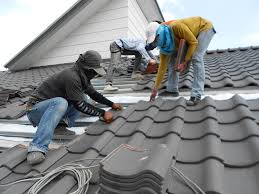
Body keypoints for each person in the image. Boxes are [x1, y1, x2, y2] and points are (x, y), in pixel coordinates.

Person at [26, 50, 123, 165]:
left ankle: (60, 126)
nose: (95, 75)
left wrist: (111, 104)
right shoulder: (72, 76)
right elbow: (79, 106)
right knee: (61, 102)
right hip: (35, 110)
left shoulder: (82, 77)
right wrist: (102, 113)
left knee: (83, 97)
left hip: (49, 110)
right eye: (94, 71)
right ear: (87, 68)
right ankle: (37, 147)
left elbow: (94, 94)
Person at [147, 17, 216, 105]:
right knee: (172, 59)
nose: (156, 43)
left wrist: (185, 62)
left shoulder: (176, 27)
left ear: (159, 32)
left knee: (196, 56)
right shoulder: (163, 48)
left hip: (204, 28)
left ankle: (197, 94)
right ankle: (172, 90)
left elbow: (193, 42)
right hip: (189, 37)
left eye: (156, 40)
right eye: (154, 42)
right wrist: (155, 89)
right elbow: (162, 69)